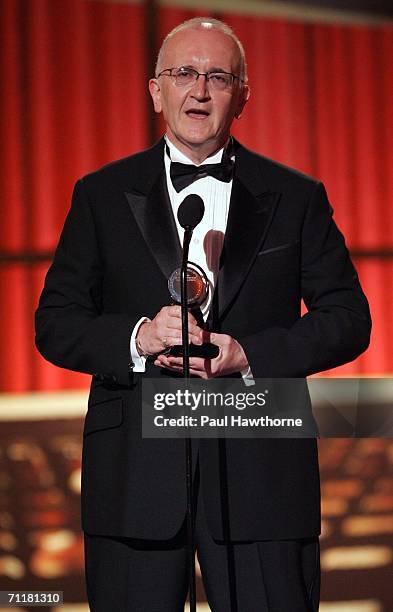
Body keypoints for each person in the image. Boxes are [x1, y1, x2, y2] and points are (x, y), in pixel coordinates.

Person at [35, 17, 371, 612]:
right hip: (136, 478)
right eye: (184, 73)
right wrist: (139, 337)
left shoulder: (296, 197)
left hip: (263, 471)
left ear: (243, 96)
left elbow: (347, 317)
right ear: (155, 89)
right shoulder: (100, 195)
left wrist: (251, 355)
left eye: (219, 76)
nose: (199, 89)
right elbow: (57, 322)